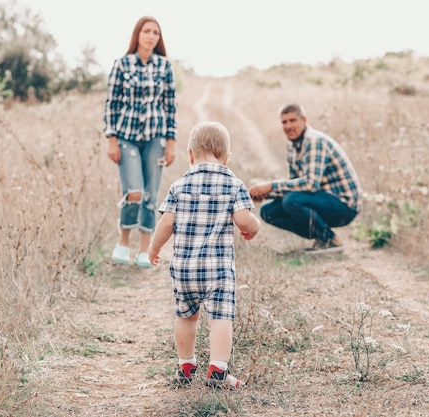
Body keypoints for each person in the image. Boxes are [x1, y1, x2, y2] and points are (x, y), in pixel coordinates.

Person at [148, 121, 261, 389]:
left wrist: (154, 249)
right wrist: (253, 229)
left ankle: (185, 365)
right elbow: (244, 220)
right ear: (226, 156)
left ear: (189, 154)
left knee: (186, 317)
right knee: (221, 318)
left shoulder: (179, 185)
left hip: (185, 269)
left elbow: (166, 224)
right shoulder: (233, 184)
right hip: (218, 271)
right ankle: (218, 372)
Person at [103, 15, 177, 268]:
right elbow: (111, 104)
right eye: (147, 31)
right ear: (138, 34)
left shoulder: (165, 67)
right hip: (126, 138)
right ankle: (123, 241)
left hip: (156, 138)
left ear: (159, 38)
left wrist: (171, 142)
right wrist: (111, 140)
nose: (151, 36)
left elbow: (170, 106)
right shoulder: (122, 65)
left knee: (150, 195)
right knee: (134, 192)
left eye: (155, 32)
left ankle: (145, 250)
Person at [249, 103, 362, 253]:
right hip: (322, 199)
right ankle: (321, 238)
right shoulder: (292, 147)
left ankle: (331, 240)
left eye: (293, 120)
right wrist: (266, 194)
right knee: (268, 211)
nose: (288, 126)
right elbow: (295, 186)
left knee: (292, 200)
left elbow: (310, 185)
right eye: (284, 122)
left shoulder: (314, 141)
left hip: (345, 205)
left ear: (304, 120)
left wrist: (271, 185)